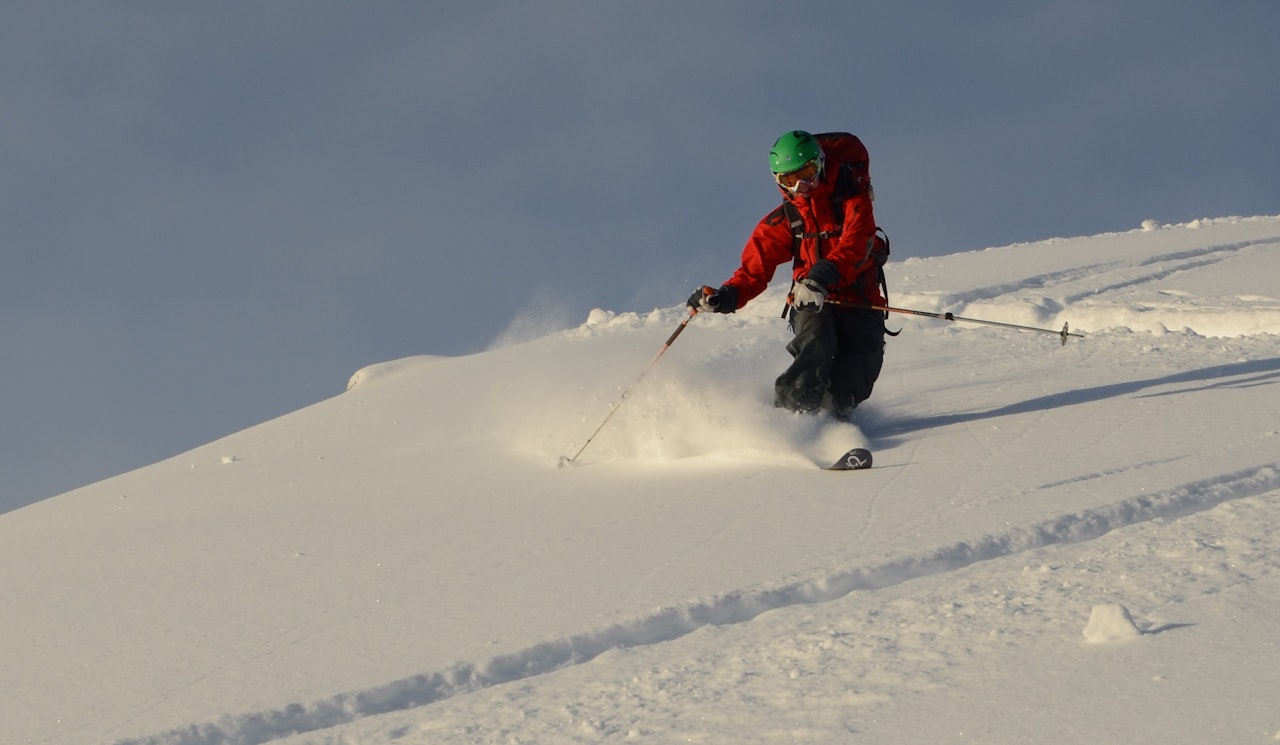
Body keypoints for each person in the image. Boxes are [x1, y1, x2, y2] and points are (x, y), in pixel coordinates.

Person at [688, 130, 887, 421]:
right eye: (788, 179)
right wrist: (725, 296)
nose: (800, 185)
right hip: (811, 301)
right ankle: (793, 418)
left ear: (820, 164)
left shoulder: (852, 202)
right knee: (816, 339)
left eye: (806, 173)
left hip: (859, 299)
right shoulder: (785, 219)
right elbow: (753, 270)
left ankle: (832, 422)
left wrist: (821, 276)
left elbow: (856, 245)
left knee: (860, 366)